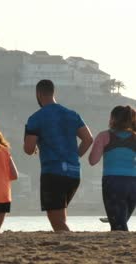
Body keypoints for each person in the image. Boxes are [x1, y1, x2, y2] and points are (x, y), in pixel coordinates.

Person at [24, 80, 93, 232]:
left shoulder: (36, 118)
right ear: (53, 93)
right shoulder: (72, 114)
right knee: (60, 217)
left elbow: (29, 149)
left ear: (38, 94)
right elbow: (88, 139)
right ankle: (66, 249)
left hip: (53, 172)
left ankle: (73, 249)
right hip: (74, 173)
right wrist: (75, 156)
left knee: (57, 222)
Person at [89, 106, 136, 231]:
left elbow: (93, 161)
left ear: (113, 119)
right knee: (122, 221)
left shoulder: (104, 136)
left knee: (118, 226)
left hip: (113, 182)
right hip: (133, 183)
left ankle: (126, 249)